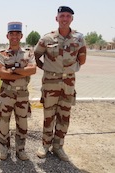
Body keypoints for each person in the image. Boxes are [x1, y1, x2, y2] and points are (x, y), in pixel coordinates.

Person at [34, 6, 86, 161]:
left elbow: (82, 58)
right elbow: (36, 56)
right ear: (56, 18)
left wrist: (71, 68)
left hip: (68, 82)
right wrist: (47, 68)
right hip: (51, 81)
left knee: (64, 114)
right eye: (62, 15)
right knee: (48, 114)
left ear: (72, 19)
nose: (64, 18)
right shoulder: (47, 39)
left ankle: (58, 146)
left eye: (68, 16)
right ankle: (45, 144)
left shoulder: (79, 38)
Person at [0, 22, 37, 161]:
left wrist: (13, 71)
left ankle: (20, 149)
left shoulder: (28, 53)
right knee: (4, 122)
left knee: (22, 123)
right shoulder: (2, 54)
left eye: (17, 34)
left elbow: (33, 70)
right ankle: (4, 148)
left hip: (23, 94)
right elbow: (2, 75)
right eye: (11, 34)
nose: (14, 36)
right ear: (7, 36)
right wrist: (23, 72)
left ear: (21, 35)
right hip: (7, 93)